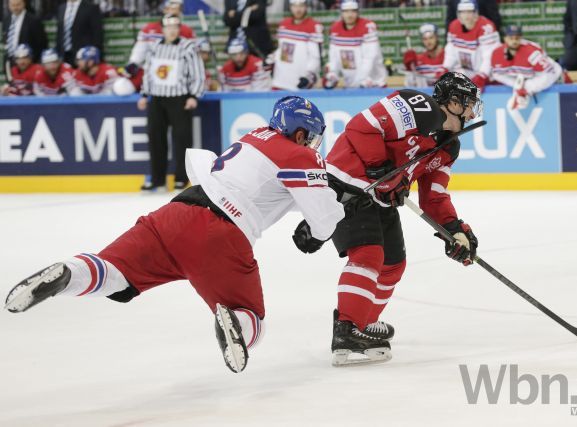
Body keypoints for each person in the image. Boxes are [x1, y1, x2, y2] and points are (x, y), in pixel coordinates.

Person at [4, 96, 345, 375]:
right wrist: (315, 235)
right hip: (223, 236)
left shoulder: (254, 136)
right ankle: (236, 324)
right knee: (253, 318)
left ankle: (69, 272)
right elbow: (324, 216)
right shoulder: (302, 155)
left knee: (115, 275)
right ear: (300, 134)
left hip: (175, 213)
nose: (314, 144)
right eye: (312, 136)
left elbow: (273, 189)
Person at [324, 72, 482, 366]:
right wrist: (379, 166)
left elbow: (433, 196)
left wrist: (455, 229)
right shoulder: (416, 104)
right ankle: (346, 329)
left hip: (379, 196)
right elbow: (361, 127)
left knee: (393, 262)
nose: (473, 111)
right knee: (368, 254)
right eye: (469, 103)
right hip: (346, 183)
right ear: (452, 101)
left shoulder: (449, 146)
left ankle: (364, 322)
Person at [137, 14, 205, 191]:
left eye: (176, 26)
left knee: (182, 139)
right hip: (157, 99)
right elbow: (148, 72)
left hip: (179, 99)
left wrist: (193, 96)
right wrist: (144, 94)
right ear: (163, 29)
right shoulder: (154, 47)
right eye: (169, 27)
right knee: (156, 139)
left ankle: (181, 178)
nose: (172, 30)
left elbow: (198, 73)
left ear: (179, 28)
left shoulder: (188, 46)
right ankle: (158, 180)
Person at [490, 25, 562, 110]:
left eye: (517, 38)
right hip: (523, 76)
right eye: (511, 38)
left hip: (548, 73)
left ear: (521, 38)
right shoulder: (497, 53)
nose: (514, 41)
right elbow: (497, 75)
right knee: (498, 76)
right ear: (505, 39)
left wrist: (526, 88)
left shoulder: (532, 52)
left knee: (537, 82)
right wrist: (517, 86)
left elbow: (549, 73)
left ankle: (522, 95)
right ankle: (520, 94)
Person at [323, 0, 386, 89]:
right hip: (351, 85)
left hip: (372, 84)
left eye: (353, 11)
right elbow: (334, 56)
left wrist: (360, 80)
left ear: (358, 12)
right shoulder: (335, 28)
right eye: (346, 11)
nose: (350, 15)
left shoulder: (367, 27)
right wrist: (333, 73)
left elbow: (369, 58)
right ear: (341, 13)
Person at [123, 0, 195, 78]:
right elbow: (140, 51)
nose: (172, 12)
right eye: (169, 8)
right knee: (122, 86)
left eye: (176, 9)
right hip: (152, 70)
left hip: (178, 71)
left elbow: (192, 56)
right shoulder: (150, 29)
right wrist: (134, 62)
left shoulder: (187, 31)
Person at [442, 0, 499, 90]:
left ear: (476, 12)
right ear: (458, 14)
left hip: (486, 72)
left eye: (469, 11)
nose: (466, 15)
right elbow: (450, 51)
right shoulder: (453, 26)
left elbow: (489, 55)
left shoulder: (486, 27)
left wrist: (482, 75)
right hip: (466, 69)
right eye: (463, 12)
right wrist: (445, 67)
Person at [271, 0, 323, 90]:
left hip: (301, 81)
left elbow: (316, 57)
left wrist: (309, 76)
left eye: (301, 6)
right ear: (290, 7)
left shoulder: (314, 26)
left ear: (306, 6)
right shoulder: (283, 24)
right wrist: (271, 59)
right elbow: (281, 50)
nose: (298, 9)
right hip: (280, 81)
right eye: (294, 6)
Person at [2, 0, 48, 71]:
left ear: (24, 4)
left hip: (28, 63)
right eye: (12, 5)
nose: (15, 8)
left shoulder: (34, 20)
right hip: (10, 62)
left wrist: (35, 61)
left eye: (18, 5)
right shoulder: (6, 20)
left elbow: (42, 43)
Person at [56, 0, 104, 66]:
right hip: (64, 56)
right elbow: (60, 33)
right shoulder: (61, 8)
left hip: (84, 58)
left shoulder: (91, 8)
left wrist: (94, 56)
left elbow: (97, 35)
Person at [402, 23, 446, 88]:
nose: (428, 42)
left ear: (437, 38)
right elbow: (410, 84)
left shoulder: (448, 56)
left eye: (431, 38)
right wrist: (409, 68)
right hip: (426, 95)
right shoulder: (418, 60)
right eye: (425, 39)